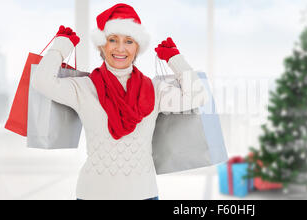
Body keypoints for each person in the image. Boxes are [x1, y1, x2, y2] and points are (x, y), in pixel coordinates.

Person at [31, 3, 208, 200]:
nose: (120, 48)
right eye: (112, 39)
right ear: (101, 44)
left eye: (129, 41)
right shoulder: (84, 88)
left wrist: (174, 58)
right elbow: (41, 81)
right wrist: (60, 47)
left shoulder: (155, 89)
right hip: (92, 194)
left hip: (144, 194)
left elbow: (198, 96)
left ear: (138, 46)